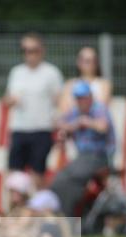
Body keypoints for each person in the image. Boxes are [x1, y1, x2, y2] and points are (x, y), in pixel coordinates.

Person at [3, 33, 64, 189]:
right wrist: (11, 100)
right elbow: (6, 100)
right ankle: (15, 212)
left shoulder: (51, 73)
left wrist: (59, 123)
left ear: (41, 50)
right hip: (19, 128)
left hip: (41, 129)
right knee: (14, 176)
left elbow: (60, 101)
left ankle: (40, 210)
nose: (29, 54)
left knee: (38, 174)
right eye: (25, 50)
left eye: (33, 50)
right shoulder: (16, 72)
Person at [49, 81, 115, 217]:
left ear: (90, 97)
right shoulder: (75, 112)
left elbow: (103, 127)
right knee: (58, 181)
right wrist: (68, 128)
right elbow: (56, 122)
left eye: (83, 97)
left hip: (99, 157)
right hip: (82, 158)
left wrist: (85, 122)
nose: (81, 101)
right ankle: (64, 217)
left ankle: (71, 218)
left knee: (71, 179)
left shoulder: (99, 109)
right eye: (78, 98)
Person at [59, 46, 112, 116]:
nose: (89, 64)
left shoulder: (104, 84)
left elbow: (101, 108)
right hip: (74, 124)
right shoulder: (69, 84)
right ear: (78, 62)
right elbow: (64, 110)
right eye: (85, 60)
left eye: (91, 61)